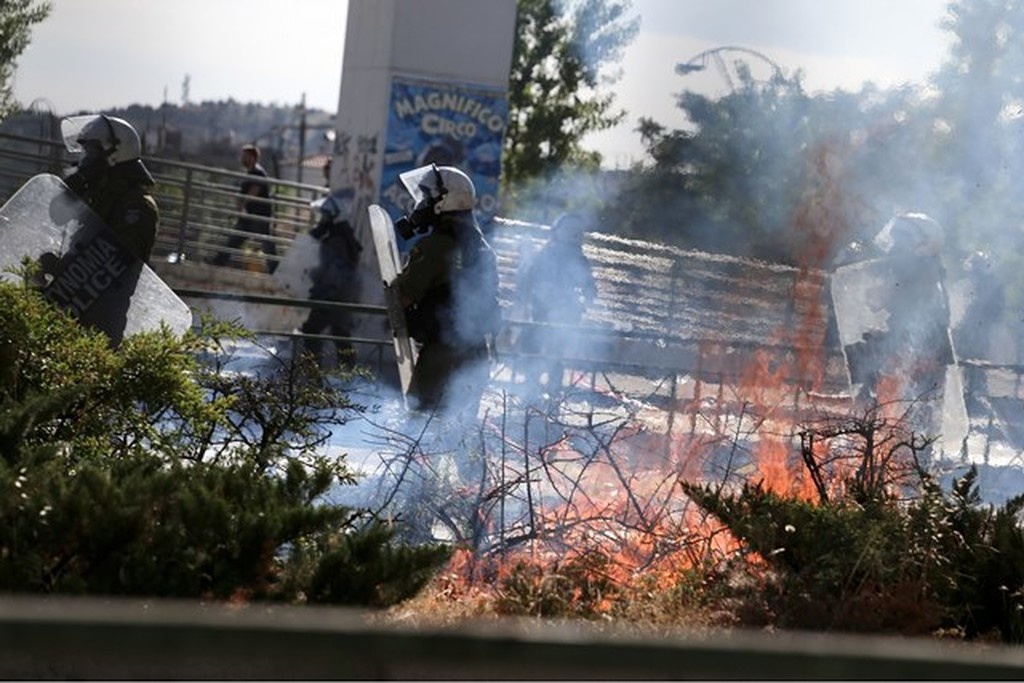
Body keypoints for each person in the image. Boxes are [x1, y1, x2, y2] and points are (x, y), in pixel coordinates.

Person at [392, 163, 501, 415]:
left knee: (419, 425)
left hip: (441, 357)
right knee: (462, 430)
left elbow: (403, 296)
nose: (422, 205)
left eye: (428, 198)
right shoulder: (483, 248)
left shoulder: (435, 246)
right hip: (477, 356)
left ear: (444, 201)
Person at [60, 114, 159, 263]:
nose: (86, 160)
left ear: (115, 154)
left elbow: (118, 264)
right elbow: (57, 216)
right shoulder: (100, 196)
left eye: (92, 153)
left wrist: (62, 266)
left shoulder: (137, 206)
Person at [518, 212, 597, 393]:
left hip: (567, 316)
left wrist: (580, 301)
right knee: (534, 350)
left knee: (556, 354)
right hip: (541, 312)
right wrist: (542, 291)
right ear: (557, 231)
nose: (573, 234)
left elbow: (590, 290)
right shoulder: (543, 255)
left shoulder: (581, 260)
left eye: (577, 231)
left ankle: (553, 393)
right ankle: (530, 390)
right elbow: (528, 281)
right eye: (569, 229)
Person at [297, 192, 363, 370]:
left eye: (325, 216)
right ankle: (348, 375)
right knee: (340, 333)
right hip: (339, 295)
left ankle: (314, 374)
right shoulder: (342, 236)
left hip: (332, 296)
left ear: (334, 218)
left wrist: (321, 292)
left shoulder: (337, 240)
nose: (322, 220)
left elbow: (336, 273)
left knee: (311, 331)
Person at [211, 144, 277, 272]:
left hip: (258, 216)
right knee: (234, 240)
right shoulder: (251, 172)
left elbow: (253, 191)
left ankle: (275, 270)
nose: (242, 159)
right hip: (249, 216)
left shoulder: (258, 173)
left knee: (266, 244)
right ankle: (217, 263)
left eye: (245, 156)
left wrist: (241, 205)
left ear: (253, 158)